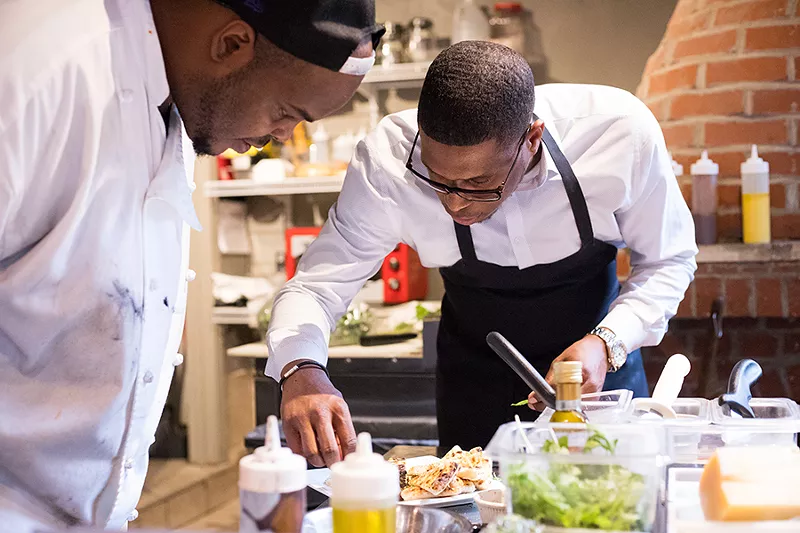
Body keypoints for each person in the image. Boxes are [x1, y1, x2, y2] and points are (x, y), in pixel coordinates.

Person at [0, 0, 382, 530]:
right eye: (286, 112)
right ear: (230, 45)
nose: (282, 137)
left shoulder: (173, 90)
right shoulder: (34, 71)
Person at [267, 41, 698, 465]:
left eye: (478, 184)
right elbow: (317, 286)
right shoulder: (387, 162)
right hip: (473, 379)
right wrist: (300, 368)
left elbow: (668, 261)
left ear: (532, 139)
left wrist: (608, 343)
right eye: (437, 180)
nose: (454, 204)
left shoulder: (618, 134)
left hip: (597, 370)